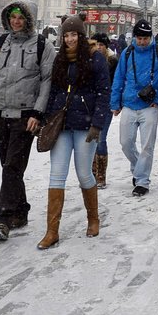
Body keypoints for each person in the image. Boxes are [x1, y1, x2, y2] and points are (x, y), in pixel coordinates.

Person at [0, 1, 54, 241]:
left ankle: (3, 219)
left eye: (20, 17)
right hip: (0, 113)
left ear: (28, 19)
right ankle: (21, 210)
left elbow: (48, 82)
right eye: (12, 17)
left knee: (13, 166)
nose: (16, 21)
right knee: (9, 166)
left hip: (25, 117)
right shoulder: (0, 43)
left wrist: (38, 113)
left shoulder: (42, 46)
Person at [36, 14, 110, 250]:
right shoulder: (59, 60)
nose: (69, 39)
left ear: (81, 34)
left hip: (85, 125)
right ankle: (52, 231)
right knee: (56, 174)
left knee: (84, 174)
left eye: (74, 34)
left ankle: (93, 218)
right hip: (62, 124)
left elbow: (103, 94)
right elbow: (53, 92)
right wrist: (46, 119)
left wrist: (97, 124)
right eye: (66, 35)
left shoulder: (95, 59)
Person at [110, 18, 158, 197]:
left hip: (149, 106)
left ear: (150, 37)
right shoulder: (127, 53)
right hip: (129, 103)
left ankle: (142, 181)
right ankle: (138, 167)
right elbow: (119, 78)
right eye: (139, 38)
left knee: (147, 146)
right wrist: (115, 103)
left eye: (145, 38)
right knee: (125, 143)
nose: (142, 41)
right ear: (134, 37)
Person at [90, 32, 118, 188]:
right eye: (95, 44)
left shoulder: (112, 62)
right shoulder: (89, 59)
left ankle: (101, 175)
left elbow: (115, 83)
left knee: (101, 138)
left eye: (101, 45)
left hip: (105, 105)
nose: (98, 47)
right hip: (90, 105)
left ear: (106, 47)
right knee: (91, 138)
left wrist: (115, 103)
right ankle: (92, 173)